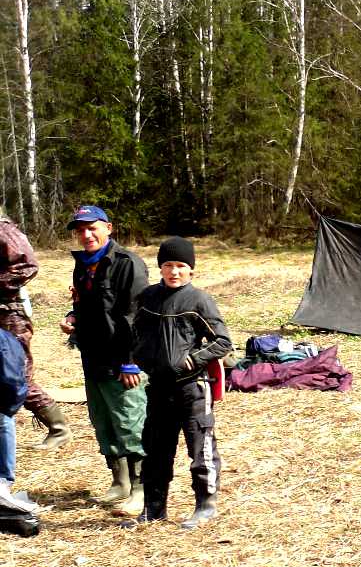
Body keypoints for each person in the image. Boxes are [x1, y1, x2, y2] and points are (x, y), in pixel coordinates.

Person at [126, 238, 232, 529]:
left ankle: (205, 505)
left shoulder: (198, 300)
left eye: (181, 266)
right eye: (168, 265)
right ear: (160, 267)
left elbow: (223, 342)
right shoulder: (147, 298)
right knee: (156, 449)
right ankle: (154, 508)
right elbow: (134, 333)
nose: (174, 272)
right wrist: (136, 358)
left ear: (191, 271)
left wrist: (192, 359)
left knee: (200, 447)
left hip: (192, 387)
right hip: (158, 387)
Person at [61, 205, 150, 511]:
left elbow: (136, 316)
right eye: (80, 230)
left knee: (131, 423)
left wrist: (130, 361)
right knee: (104, 423)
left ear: (108, 228)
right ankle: (120, 482)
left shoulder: (127, 264)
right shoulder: (83, 264)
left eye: (92, 228)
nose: (86, 235)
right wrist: (73, 317)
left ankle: (142, 489)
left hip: (122, 361)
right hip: (93, 357)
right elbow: (89, 305)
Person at [0, 214, 69, 449]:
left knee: (17, 377)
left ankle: (58, 427)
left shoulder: (3, 229)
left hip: (10, 316)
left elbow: (27, 266)